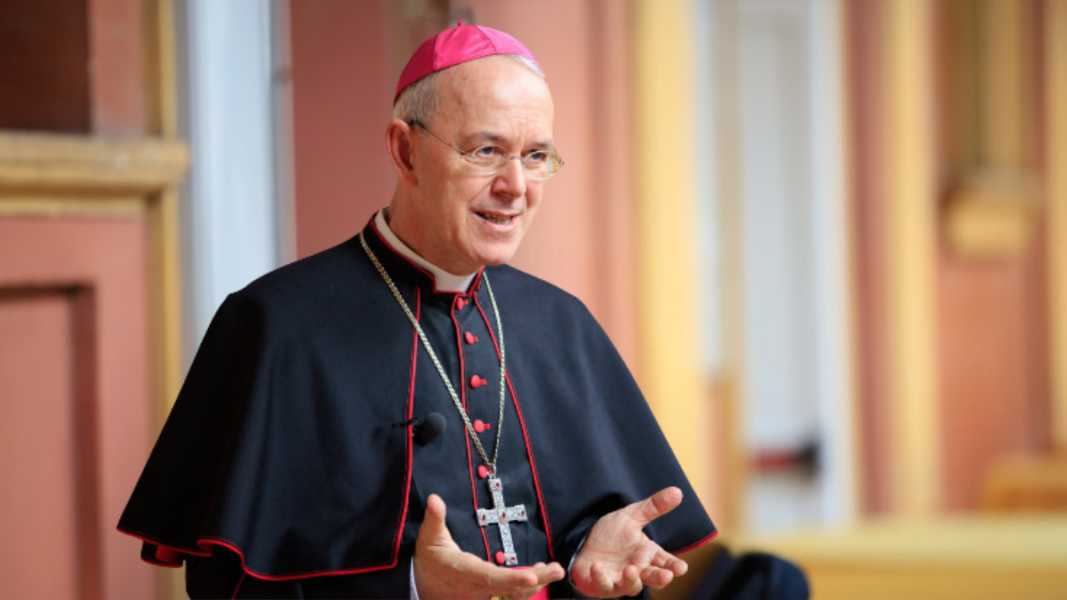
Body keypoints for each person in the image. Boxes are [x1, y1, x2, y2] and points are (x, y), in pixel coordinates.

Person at [119, 22, 716, 600]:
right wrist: (406, 588)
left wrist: (589, 574)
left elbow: (580, 549)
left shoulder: (563, 325)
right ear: (405, 152)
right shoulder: (275, 326)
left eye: (537, 156)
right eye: (487, 150)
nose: (516, 185)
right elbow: (225, 584)